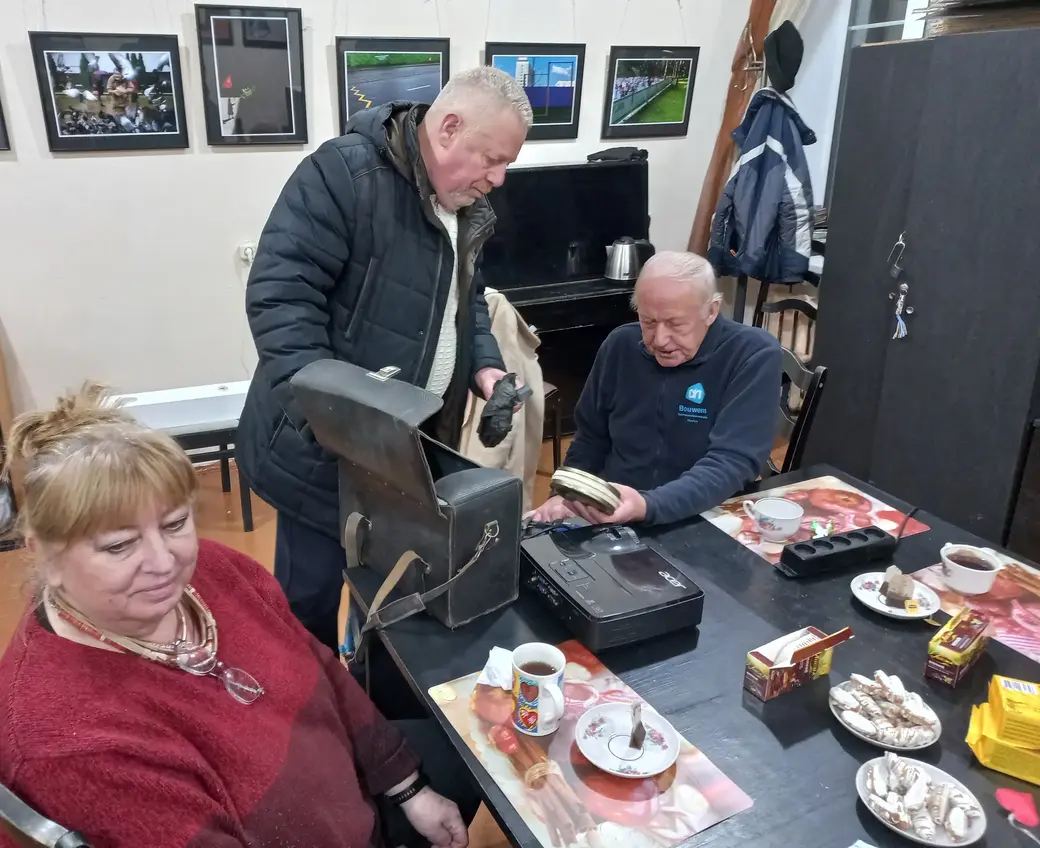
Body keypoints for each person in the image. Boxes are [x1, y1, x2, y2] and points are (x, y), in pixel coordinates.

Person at [0, 385, 476, 848]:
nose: (165, 563)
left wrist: (405, 784)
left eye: (174, 524)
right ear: (46, 555)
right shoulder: (67, 744)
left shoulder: (217, 569)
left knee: (474, 756)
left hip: (351, 796)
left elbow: (320, 667)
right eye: (119, 545)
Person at [236, 68, 533, 651]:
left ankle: (369, 707)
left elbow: (465, 303)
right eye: (492, 159)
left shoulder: (463, 204)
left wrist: (486, 367)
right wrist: (334, 419)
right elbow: (280, 300)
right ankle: (315, 723)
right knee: (307, 607)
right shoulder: (343, 175)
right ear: (448, 128)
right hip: (323, 454)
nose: (498, 179)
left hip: (406, 451)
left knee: (391, 600)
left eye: (506, 165)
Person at [530, 251, 781, 527]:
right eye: (648, 321)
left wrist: (647, 505)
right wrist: (562, 496)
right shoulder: (620, 345)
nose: (659, 340)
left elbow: (731, 462)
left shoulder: (752, 354)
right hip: (613, 510)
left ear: (711, 310)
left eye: (676, 324)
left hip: (707, 515)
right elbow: (590, 438)